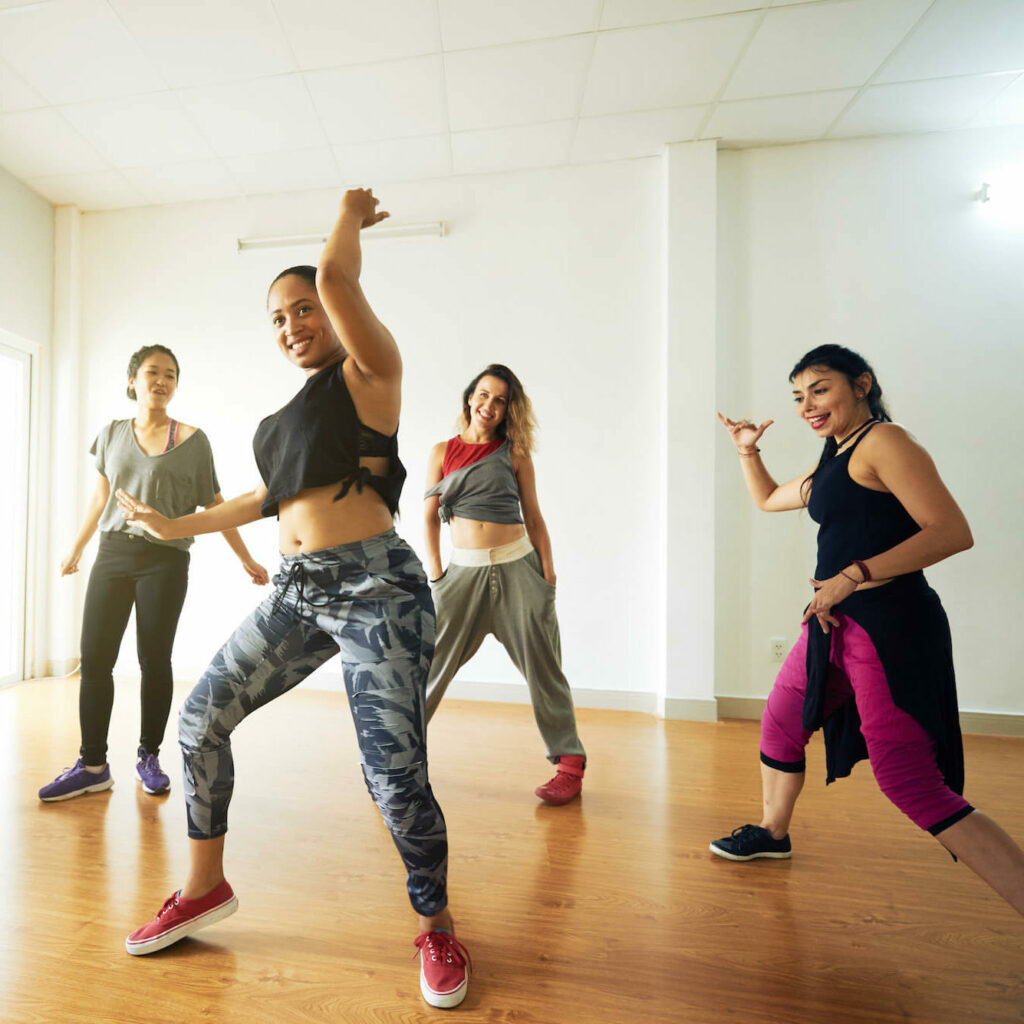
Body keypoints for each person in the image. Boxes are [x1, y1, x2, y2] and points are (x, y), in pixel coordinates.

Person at [117, 190, 471, 1009]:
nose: (291, 323)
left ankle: (437, 924)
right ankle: (204, 885)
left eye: (302, 308)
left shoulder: (369, 372)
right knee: (200, 718)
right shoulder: (284, 420)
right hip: (298, 592)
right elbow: (261, 497)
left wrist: (346, 214)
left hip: (377, 587)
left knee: (392, 776)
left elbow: (337, 274)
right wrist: (179, 523)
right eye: (276, 318)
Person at [711, 343, 1024, 916]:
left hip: (890, 629)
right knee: (781, 725)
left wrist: (854, 574)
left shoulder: (886, 442)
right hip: (834, 625)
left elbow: (952, 531)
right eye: (799, 396)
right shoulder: (837, 452)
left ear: (861, 384)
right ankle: (773, 834)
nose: (808, 405)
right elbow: (771, 499)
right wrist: (748, 453)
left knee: (909, 781)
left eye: (820, 389)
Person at [39, 345, 268, 803]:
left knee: (154, 660)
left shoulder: (191, 440)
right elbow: (100, 498)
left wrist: (245, 557)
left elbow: (215, 504)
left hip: (165, 561)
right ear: (133, 381)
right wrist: (78, 547)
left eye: (169, 375)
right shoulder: (111, 434)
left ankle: (149, 756)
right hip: (112, 554)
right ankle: (92, 765)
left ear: (175, 385)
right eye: (151, 373)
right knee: (96, 660)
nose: (160, 381)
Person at [423, 364, 587, 805]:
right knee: (429, 666)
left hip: (519, 569)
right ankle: (396, 762)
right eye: (483, 395)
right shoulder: (442, 451)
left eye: (499, 400)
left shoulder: (514, 454)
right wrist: (437, 573)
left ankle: (570, 767)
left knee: (544, 666)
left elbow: (533, 516)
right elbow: (427, 518)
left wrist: (547, 574)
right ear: (468, 397)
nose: (488, 405)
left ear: (508, 409)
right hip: (462, 575)